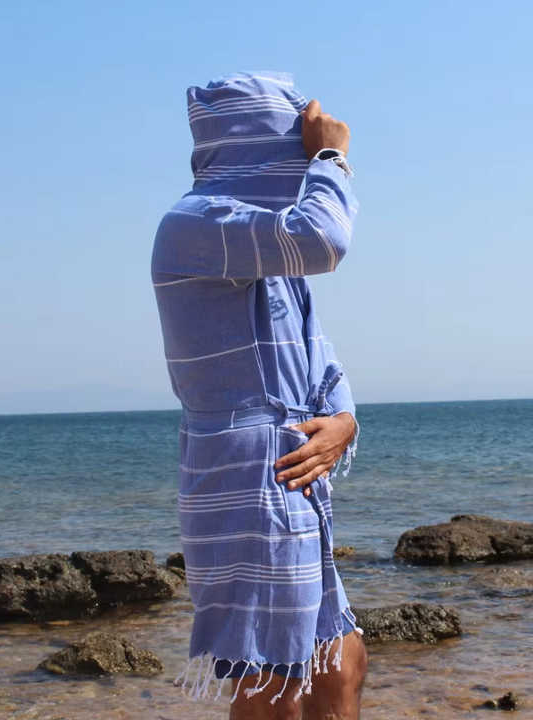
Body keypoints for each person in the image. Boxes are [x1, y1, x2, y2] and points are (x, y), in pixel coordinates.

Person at [151, 70, 367, 719]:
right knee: (274, 685)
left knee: (341, 661)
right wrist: (332, 158)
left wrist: (344, 421)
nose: (299, 163)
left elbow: (317, 352)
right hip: (249, 475)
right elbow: (325, 240)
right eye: (290, 148)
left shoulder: (261, 247)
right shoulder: (197, 223)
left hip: (292, 467)